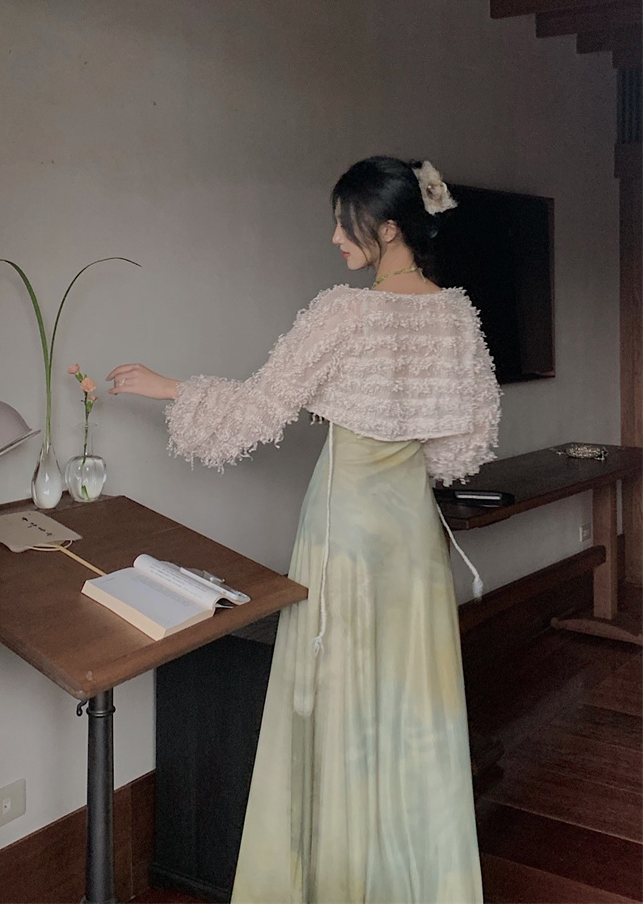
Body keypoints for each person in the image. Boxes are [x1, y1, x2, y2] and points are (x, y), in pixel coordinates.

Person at [107, 156, 500, 903]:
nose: (335, 238)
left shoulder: (344, 313)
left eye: (346, 224)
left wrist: (165, 386)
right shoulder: (456, 314)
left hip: (344, 529)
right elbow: (463, 450)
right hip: (412, 537)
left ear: (388, 227)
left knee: (337, 704)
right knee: (411, 704)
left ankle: (334, 880)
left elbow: (262, 405)